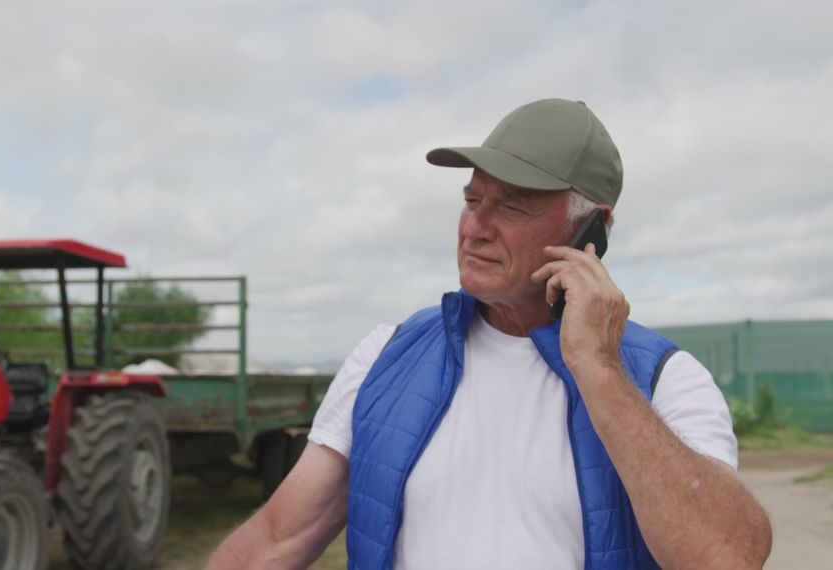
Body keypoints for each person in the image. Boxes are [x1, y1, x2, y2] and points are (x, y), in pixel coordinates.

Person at [207, 98, 771, 569]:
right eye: (472, 199)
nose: (476, 227)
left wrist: (599, 370)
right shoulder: (387, 355)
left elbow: (726, 557)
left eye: (513, 206)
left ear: (591, 228)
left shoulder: (664, 378)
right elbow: (277, 541)